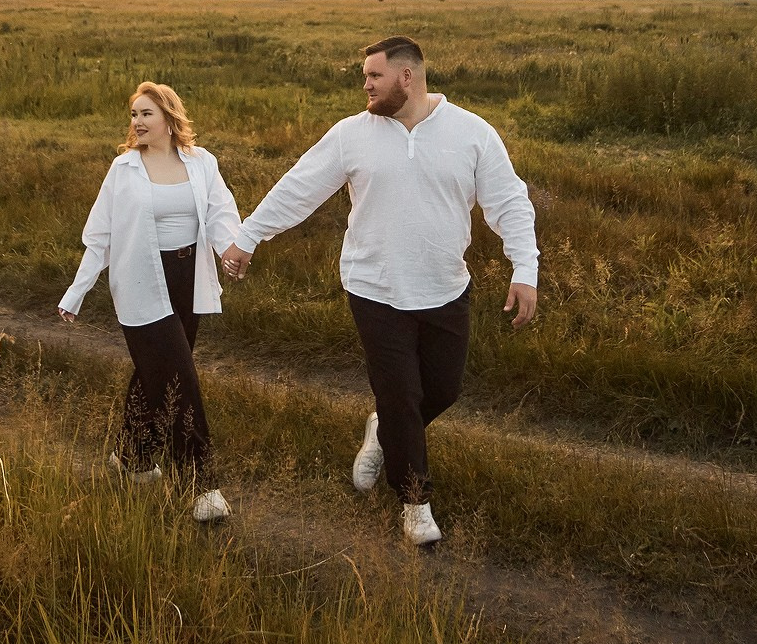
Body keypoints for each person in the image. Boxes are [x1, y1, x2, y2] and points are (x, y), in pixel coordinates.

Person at [222, 36, 538, 546]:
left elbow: (510, 203)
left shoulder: (472, 133)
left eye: (374, 76)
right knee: (402, 394)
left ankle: (383, 431)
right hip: (374, 289)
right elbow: (299, 186)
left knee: (444, 389)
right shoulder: (353, 134)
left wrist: (525, 267)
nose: (365, 85)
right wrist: (249, 235)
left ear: (406, 77)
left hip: (445, 288)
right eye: (365, 77)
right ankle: (416, 504)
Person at [58, 81, 243, 523]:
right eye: (134, 115)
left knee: (154, 375)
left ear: (168, 118)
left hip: (188, 281)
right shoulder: (123, 169)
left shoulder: (202, 163)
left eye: (146, 114)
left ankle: (132, 458)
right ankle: (202, 485)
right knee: (180, 381)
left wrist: (233, 251)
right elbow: (100, 237)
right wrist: (77, 291)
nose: (137, 122)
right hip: (142, 280)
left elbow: (220, 213)